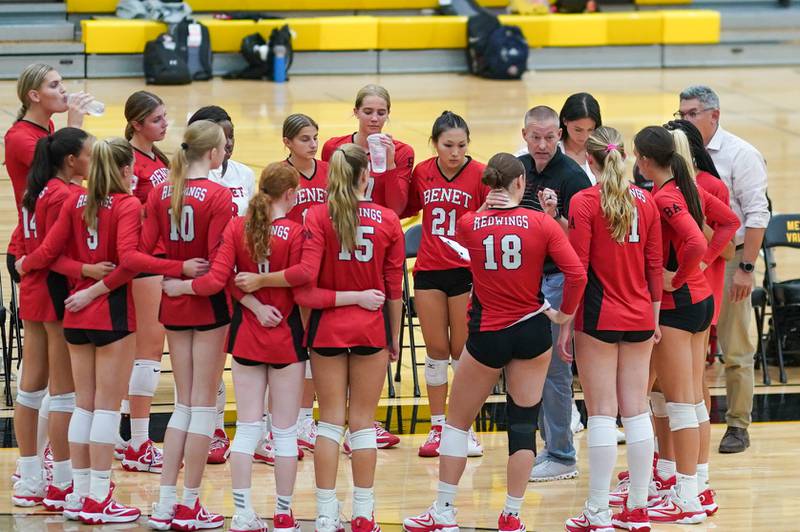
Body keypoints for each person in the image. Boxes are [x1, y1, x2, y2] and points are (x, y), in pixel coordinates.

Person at [16, 137, 199, 524]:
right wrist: (177, 268)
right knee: (105, 407)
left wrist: (27, 264)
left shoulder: (75, 201)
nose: (134, 174)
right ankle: (99, 496)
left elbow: (51, 256)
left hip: (75, 315)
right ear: (122, 170)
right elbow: (131, 260)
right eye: (131, 167)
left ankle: (78, 494)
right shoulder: (129, 205)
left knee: (83, 404)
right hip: (111, 314)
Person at [403, 153, 586, 532]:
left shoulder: (471, 223)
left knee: (456, 424)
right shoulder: (542, 223)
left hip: (487, 333)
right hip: (533, 331)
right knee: (522, 425)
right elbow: (576, 274)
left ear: (489, 185)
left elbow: (458, 246)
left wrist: (486, 207)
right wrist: (564, 315)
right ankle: (512, 515)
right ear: (522, 183)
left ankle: (444, 511)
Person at [234, 144, 404, 532]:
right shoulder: (388, 220)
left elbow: (305, 289)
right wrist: (392, 336)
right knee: (362, 424)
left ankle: (326, 514)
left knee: (328, 424)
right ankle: (363, 513)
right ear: (365, 176)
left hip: (326, 331)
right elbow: (393, 288)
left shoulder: (315, 216)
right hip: (370, 330)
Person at [633, 126, 738, 524]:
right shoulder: (687, 185)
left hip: (679, 304)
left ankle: (686, 498)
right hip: (700, 301)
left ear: (644, 159)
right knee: (693, 400)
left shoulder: (664, 197)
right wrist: (706, 265)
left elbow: (693, 240)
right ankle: (700, 487)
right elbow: (728, 224)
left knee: (680, 405)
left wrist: (676, 274)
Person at [562, 127, 662, 532]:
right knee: (636, 411)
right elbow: (654, 266)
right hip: (641, 315)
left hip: (599, 317)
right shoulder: (648, 202)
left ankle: (598, 512)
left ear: (590, 160)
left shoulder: (584, 201)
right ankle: (638, 510)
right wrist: (654, 318)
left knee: (602, 413)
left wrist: (566, 322)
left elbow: (577, 269)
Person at [11, 128, 112, 510]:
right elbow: (51, 249)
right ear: (72, 160)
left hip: (32, 292)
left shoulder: (32, 191)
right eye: (88, 154)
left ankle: (30, 476)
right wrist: (85, 270)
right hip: (54, 291)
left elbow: (23, 241)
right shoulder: (68, 195)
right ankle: (63, 482)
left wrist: (23, 264)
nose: (92, 161)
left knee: (29, 388)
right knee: (63, 394)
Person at [4, 64, 94, 488]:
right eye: (55, 85)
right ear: (33, 95)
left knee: (38, 380)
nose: (64, 91)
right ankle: (56, 478)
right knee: (57, 385)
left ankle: (32, 473)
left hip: (36, 257)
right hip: (39, 257)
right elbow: (57, 164)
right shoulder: (26, 140)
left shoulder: (49, 135)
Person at [143, 121, 234, 530]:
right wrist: (189, 283)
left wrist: (174, 280)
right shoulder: (218, 195)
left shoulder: (160, 191)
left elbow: (142, 253)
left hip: (174, 304)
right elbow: (219, 265)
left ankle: (164, 504)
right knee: (202, 406)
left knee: (182, 404)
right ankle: (190, 504)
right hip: (208, 303)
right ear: (214, 154)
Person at [493, 105, 591, 482]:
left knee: (553, 371)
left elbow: (581, 245)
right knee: (519, 366)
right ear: (524, 135)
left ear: (560, 136)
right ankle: (535, 448)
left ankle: (562, 453)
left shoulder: (573, 177)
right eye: (536, 136)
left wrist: (555, 218)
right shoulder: (516, 170)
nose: (543, 144)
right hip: (518, 284)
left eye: (550, 137)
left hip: (554, 282)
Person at [677, 85, 770, 454]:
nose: (685, 119)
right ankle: (686, 417)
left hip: (732, 258)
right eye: (682, 113)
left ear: (714, 115)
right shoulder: (678, 153)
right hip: (691, 256)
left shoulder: (741, 154)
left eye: (692, 113)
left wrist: (747, 266)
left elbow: (758, 214)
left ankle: (738, 424)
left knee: (735, 345)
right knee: (687, 344)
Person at [321, 84, 413, 449]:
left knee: (372, 319)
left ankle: (362, 419)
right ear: (355, 112)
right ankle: (330, 419)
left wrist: (389, 167)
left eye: (381, 113)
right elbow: (329, 193)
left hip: (379, 240)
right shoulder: (335, 148)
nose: (375, 119)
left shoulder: (401, 151)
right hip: (341, 235)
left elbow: (400, 209)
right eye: (368, 112)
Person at [402, 111, 487, 458]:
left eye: (461, 145)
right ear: (435, 144)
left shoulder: (480, 173)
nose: (455, 152)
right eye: (448, 145)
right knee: (436, 350)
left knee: (462, 352)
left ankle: (462, 427)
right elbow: (404, 207)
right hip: (429, 271)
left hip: (465, 271)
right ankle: (437, 427)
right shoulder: (422, 171)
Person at [187, 105, 256, 465]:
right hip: (206, 277)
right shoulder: (187, 181)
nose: (227, 144)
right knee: (210, 363)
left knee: (246, 357)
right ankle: (213, 427)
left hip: (240, 277)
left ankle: (257, 430)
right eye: (220, 138)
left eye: (231, 137)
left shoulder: (245, 175)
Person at [119, 90, 171, 471]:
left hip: (159, 258)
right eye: (157, 119)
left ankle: (127, 439)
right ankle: (139, 443)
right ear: (137, 124)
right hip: (143, 262)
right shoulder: (129, 163)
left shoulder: (159, 159)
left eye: (165, 117)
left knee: (145, 351)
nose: (165, 124)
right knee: (147, 352)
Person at [284, 112, 330, 455]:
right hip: (291, 267)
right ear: (287, 142)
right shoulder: (281, 174)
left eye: (315, 137)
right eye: (304, 139)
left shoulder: (328, 172)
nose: (313, 144)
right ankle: (288, 419)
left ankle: (304, 418)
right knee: (294, 343)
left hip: (324, 266)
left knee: (314, 342)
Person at [559, 92, 602, 184]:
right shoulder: (548, 150)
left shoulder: (604, 151)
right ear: (565, 120)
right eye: (578, 130)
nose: (584, 136)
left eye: (590, 129)